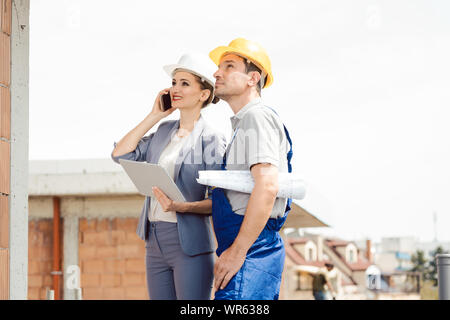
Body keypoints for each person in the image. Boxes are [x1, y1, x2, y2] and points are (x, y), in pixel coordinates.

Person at [111, 53, 226, 300]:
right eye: (174, 82)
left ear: (203, 94)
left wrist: (181, 206)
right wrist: (154, 116)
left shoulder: (212, 140)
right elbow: (120, 154)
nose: (176, 88)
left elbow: (220, 200)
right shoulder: (163, 130)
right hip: (154, 240)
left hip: (189, 244)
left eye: (185, 83)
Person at [208, 38, 294, 300]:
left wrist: (237, 252)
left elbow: (267, 186)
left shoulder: (256, 117)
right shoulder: (243, 124)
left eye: (229, 66)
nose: (216, 73)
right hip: (247, 248)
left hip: (251, 250)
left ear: (252, 78)